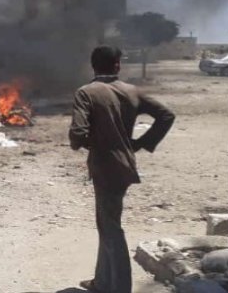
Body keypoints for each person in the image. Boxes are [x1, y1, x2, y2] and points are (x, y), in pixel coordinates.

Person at [69, 46, 175, 293]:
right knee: (106, 223)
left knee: (111, 228)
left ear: (93, 65)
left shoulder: (86, 92)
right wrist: (139, 144)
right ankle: (101, 282)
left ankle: (119, 288)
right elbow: (166, 115)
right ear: (117, 65)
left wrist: (83, 143)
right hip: (125, 163)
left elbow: (78, 132)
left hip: (104, 165)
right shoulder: (131, 91)